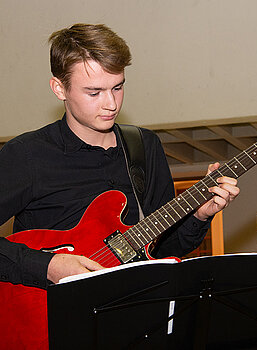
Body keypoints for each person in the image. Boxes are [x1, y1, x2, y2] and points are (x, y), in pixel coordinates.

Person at [0, 23, 240, 290]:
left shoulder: (145, 146)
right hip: (48, 318)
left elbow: (162, 250)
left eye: (117, 87)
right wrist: (47, 266)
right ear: (59, 88)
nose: (111, 104)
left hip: (129, 313)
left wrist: (199, 215)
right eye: (94, 92)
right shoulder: (26, 155)